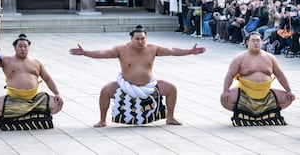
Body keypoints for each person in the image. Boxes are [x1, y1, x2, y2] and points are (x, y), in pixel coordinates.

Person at [69, 25, 206, 127]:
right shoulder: (121, 49)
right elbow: (103, 53)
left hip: (149, 85)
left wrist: (190, 51)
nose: (140, 41)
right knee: (105, 91)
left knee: (171, 89)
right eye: (137, 39)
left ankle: (170, 117)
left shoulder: (153, 48)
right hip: (126, 85)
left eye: (143, 39)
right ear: (131, 38)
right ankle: (102, 120)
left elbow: (172, 51)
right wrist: (85, 52)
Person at [0, 34, 63, 130]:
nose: (23, 49)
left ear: (29, 47)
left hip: (34, 99)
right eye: (20, 46)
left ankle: (22, 112)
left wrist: (57, 93)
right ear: (15, 47)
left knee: (57, 104)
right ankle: (29, 113)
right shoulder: (6, 60)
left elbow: (48, 79)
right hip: (13, 99)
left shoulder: (36, 62)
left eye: (25, 46)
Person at [220, 31, 295, 126]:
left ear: (262, 42)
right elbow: (230, 75)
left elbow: (280, 74)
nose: (256, 43)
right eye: (253, 40)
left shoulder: (270, 58)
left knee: (289, 98)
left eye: (258, 40)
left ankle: (263, 114)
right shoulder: (239, 58)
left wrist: (289, 90)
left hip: (265, 92)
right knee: (225, 99)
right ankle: (246, 113)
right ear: (247, 42)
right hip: (245, 92)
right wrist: (225, 91)